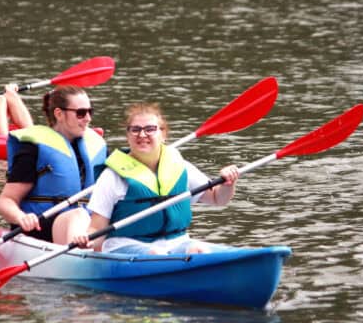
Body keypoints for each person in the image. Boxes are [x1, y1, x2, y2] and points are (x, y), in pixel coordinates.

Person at [72, 102, 240, 255]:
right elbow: (97, 226)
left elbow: (218, 198)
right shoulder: (112, 177)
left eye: (150, 129)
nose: (142, 135)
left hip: (176, 243)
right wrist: (87, 239)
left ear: (163, 134)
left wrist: (228, 183)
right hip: (125, 245)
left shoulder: (180, 166)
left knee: (199, 250)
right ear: (128, 135)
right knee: (156, 254)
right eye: (135, 129)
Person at [0, 85, 107, 245]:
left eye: (90, 112)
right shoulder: (33, 149)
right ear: (59, 114)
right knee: (78, 216)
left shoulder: (96, 146)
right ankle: (81, 260)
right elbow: (6, 200)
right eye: (81, 113)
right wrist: (21, 217)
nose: (88, 118)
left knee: (99, 219)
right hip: (41, 226)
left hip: (86, 226)